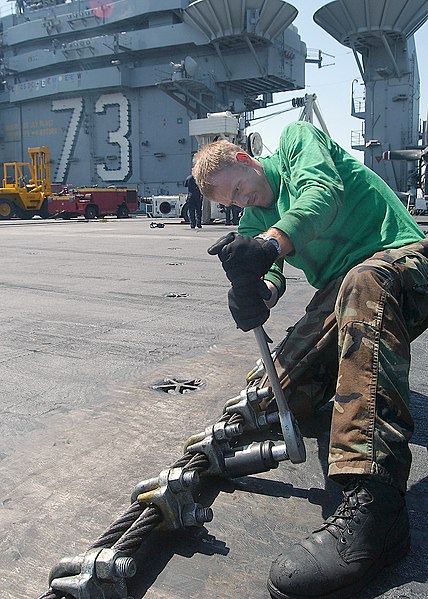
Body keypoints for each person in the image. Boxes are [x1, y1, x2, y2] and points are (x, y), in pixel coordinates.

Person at [192, 121, 428, 599]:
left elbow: (322, 195)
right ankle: (335, 398)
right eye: (233, 204)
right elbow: (271, 274)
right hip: (344, 290)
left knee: (365, 280)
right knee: (274, 389)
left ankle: (377, 509)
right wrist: (252, 291)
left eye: (241, 190)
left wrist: (269, 246)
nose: (245, 204)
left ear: (246, 158)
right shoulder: (255, 220)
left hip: (403, 261)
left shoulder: (299, 141)